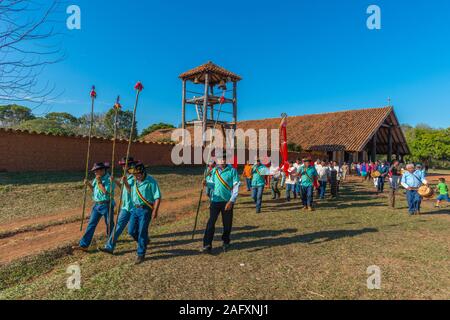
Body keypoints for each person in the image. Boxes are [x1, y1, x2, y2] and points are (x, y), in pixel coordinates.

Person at [123, 162, 161, 264]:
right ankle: (144, 241)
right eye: (134, 174)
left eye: (137, 174)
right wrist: (126, 183)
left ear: (143, 172)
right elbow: (130, 191)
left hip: (145, 209)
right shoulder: (135, 182)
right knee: (131, 231)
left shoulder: (151, 181)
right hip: (135, 209)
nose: (136, 176)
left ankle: (141, 254)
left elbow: (157, 197)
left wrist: (155, 211)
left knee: (142, 231)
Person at [73, 162, 115, 252]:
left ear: (103, 170)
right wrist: (88, 184)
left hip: (106, 204)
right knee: (91, 224)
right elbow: (94, 191)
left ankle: (111, 240)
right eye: (94, 171)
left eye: (96, 171)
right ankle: (84, 245)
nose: (95, 173)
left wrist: (99, 182)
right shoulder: (96, 179)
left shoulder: (109, 179)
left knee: (109, 223)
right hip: (96, 205)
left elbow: (105, 192)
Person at [201, 156, 240, 253]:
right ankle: (207, 244)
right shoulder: (214, 171)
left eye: (224, 159)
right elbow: (213, 184)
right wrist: (206, 184)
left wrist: (231, 201)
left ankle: (226, 241)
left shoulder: (232, 171)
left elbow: (236, 186)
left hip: (227, 201)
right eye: (220, 160)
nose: (222, 161)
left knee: (227, 224)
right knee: (211, 223)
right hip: (215, 201)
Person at [99, 157, 137, 255]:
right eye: (123, 165)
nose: (124, 167)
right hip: (125, 207)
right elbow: (122, 188)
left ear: (131, 165)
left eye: (126, 165)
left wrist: (126, 183)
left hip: (135, 208)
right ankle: (109, 247)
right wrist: (115, 180)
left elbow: (132, 192)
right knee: (117, 227)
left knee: (134, 230)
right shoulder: (125, 176)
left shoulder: (136, 176)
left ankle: (143, 240)